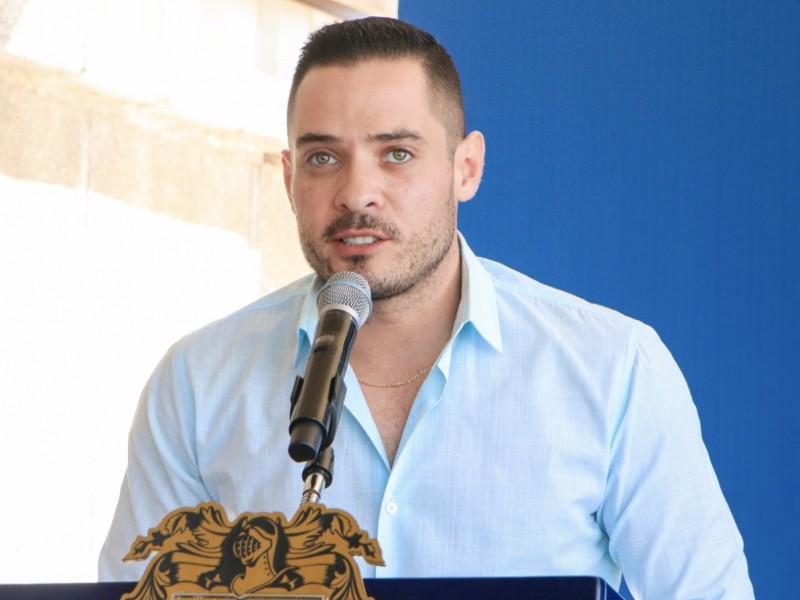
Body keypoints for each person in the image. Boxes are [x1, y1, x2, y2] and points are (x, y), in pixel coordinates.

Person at [99, 17, 754, 598]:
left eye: (397, 154)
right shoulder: (196, 383)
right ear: (290, 179)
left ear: (465, 168)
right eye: (323, 157)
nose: (358, 192)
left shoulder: (613, 369)